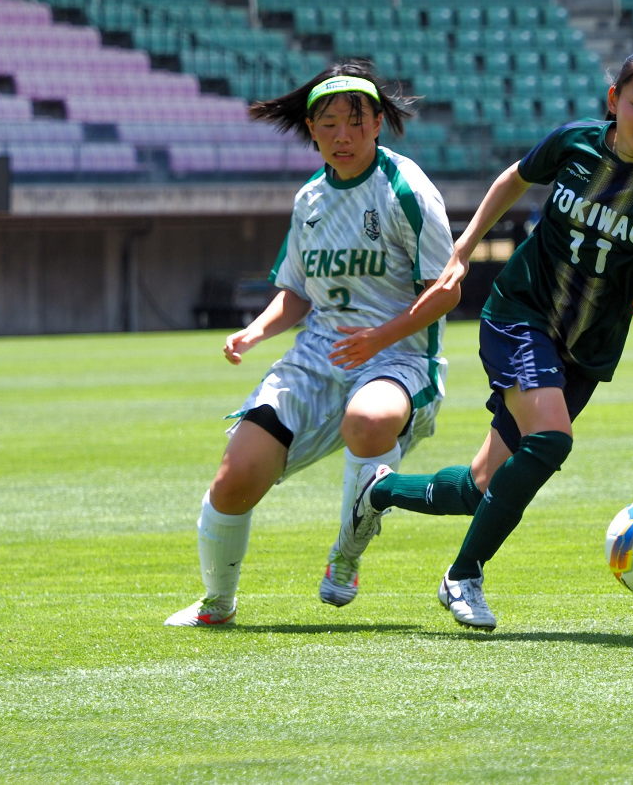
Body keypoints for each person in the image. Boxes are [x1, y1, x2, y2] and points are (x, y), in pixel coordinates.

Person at [335, 46, 633, 630]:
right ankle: (463, 575)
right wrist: (463, 248)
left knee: (480, 487)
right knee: (551, 440)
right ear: (614, 100)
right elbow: (514, 178)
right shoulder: (575, 142)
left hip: (586, 350)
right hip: (520, 314)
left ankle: (380, 491)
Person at [165, 62, 457, 627]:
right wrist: (255, 332)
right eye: (329, 124)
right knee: (235, 476)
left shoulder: (407, 188)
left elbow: (445, 289)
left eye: (355, 122)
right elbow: (296, 294)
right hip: (316, 358)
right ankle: (217, 603)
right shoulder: (311, 200)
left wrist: (378, 338)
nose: (342, 135)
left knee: (370, 420)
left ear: (378, 123)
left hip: (398, 356)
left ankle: (346, 555)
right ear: (311, 129)